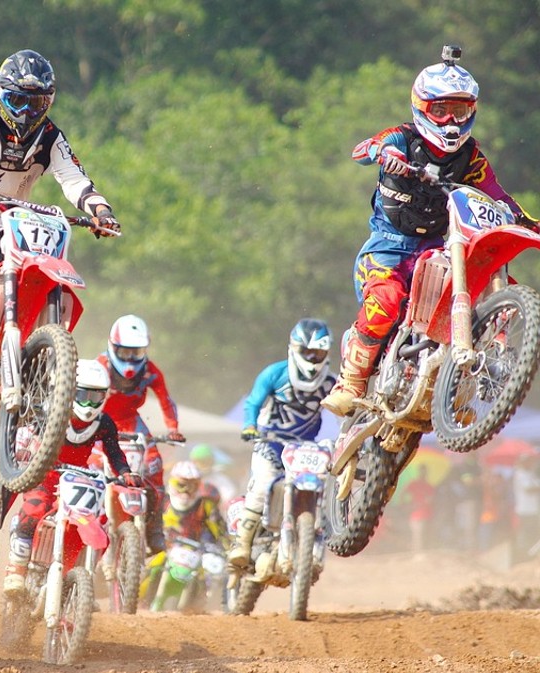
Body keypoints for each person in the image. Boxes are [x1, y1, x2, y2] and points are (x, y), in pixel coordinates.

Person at [322, 46, 539, 417]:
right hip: (388, 249)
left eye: (460, 111)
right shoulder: (402, 139)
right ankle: (351, 382)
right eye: (441, 110)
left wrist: (527, 221)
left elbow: (498, 195)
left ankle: (465, 387)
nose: (451, 120)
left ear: (472, 111)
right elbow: (363, 149)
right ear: (422, 108)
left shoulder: (471, 158)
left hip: (440, 247)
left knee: (486, 283)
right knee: (385, 301)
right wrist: (384, 154)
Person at [0, 49, 120, 400]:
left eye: (36, 102)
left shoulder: (51, 138)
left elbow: (75, 179)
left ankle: (22, 363)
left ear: (49, 101)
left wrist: (102, 211)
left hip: (9, 223)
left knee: (33, 278)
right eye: (18, 101)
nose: (27, 112)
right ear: (1, 95)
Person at [3, 359, 142, 597]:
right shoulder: (50, 411)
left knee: (97, 522)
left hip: (79, 478)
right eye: (82, 395)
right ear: (69, 390)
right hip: (45, 475)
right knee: (34, 509)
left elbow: (115, 453)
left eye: (95, 397)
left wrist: (125, 473)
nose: (88, 404)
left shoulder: (104, 423)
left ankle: (75, 580)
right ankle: (17, 569)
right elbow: (24, 432)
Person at [229, 318, 334, 569]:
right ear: (294, 348)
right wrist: (250, 426)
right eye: (306, 351)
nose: (312, 358)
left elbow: (345, 412)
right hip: (270, 442)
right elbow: (253, 403)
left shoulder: (331, 383)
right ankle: (242, 544)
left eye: (317, 353)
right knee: (262, 485)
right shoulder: (275, 374)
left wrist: (346, 438)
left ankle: (312, 542)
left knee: (323, 486)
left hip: (305, 448)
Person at [97, 314, 186, 554]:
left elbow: (166, 400)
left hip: (131, 423)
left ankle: (154, 528)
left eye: (135, 353)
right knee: (88, 466)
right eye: (124, 352)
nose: (129, 359)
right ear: (113, 346)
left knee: (154, 466)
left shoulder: (151, 372)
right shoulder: (100, 366)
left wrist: (173, 429)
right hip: (100, 422)